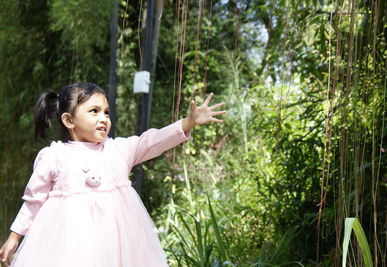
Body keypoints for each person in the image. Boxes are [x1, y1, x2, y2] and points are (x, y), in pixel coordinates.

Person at [0, 82, 226, 266]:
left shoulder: (119, 149)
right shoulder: (54, 156)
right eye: (94, 111)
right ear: (69, 120)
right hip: (71, 247)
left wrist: (188, 122)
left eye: (106, 112)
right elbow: (33, 201)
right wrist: (14, 237)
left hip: (119, 245)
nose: (104, 118)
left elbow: (152, 141)